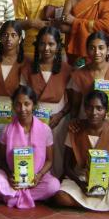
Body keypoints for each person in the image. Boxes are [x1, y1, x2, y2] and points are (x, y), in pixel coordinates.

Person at [54, 90, 109, 211]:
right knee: (60, 197)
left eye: (99, 108)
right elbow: (67, 165)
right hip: (82, 180)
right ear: (85, 109)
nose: (94, 113)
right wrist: (81, 184)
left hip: (107, 182)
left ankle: (90, 203)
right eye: (90, 108)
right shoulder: (75, 129)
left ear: (106, 110)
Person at [0, 85, 60, 208]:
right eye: (18, 104)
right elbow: (1, 160)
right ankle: (19, 194)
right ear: (13, 106)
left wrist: (39, 176)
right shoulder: (7, 130)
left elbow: (49, 160)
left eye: (27, 104)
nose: (22, 109)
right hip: (14, 179)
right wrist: (9, 175)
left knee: (53, 186)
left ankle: (6, 196)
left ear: (34, 105)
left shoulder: (45, 130)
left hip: (35, 179)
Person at [20, 26, 72, 177]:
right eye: (42, 44)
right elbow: (24, 97)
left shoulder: (66, 69)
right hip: (34, 118)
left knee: (57, 152)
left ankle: (55, 185)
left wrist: (60, 115)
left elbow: (72, 101)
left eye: (51, 44)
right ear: (37, 46)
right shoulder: (28, 69)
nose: (46, 48)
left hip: (58, 120)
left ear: (58, 46)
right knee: (36, 150)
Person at [0, 20, 26, 171]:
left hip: (17, 110)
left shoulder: (26, 62)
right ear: (0, 37)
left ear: (20, 38)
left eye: (14, 35)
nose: (9, 39)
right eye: (5, 35)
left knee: (13, 147)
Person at [70, 31, 109, 126]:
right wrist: (73, 120)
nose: (97, 52)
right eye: (92, 48)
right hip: (86, 122)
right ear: (87, 50)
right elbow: (75, 104)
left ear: (108, 50)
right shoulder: (79, 74)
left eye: (101, 48)